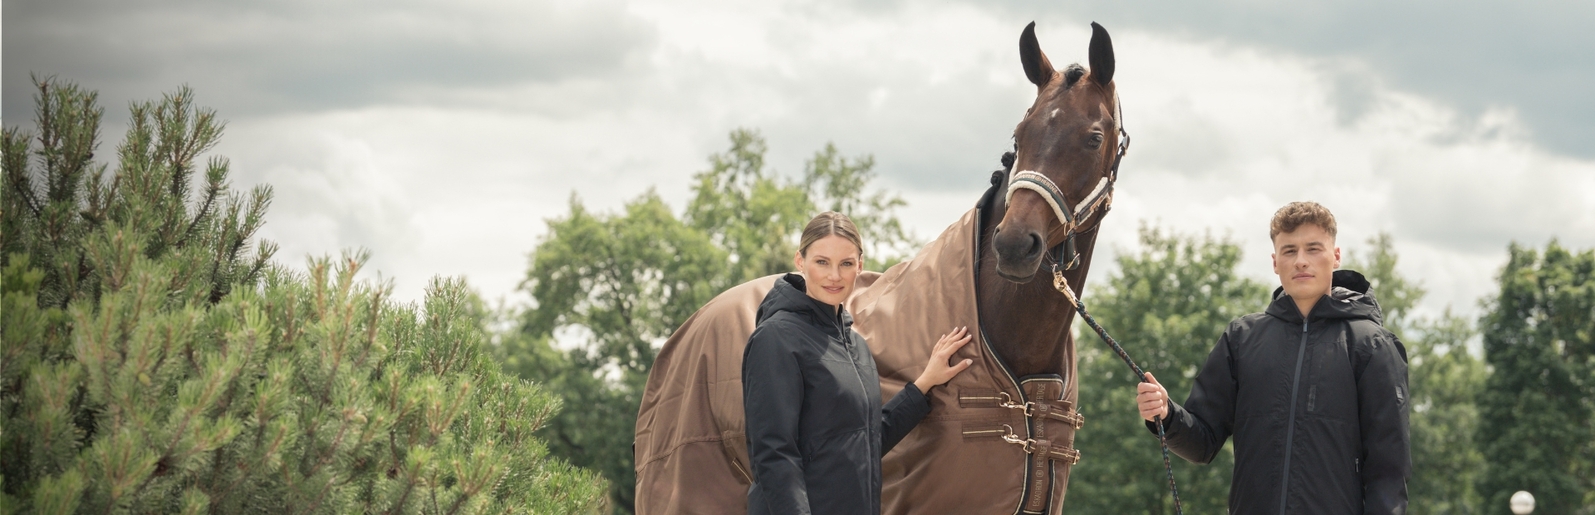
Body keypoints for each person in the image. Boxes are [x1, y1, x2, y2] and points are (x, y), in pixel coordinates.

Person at [1134, 201, 1410, 514]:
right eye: (1289, 251)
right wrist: (1166, 415)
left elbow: (1389, 472)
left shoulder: (1372, 345)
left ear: (1335, 257)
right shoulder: (1241, 338)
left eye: (1313, 248)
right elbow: (1203, 443)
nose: (1301, 261)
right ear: (1275, 261)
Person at [742, 211, 974, 515]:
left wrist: (925, 382)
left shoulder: (856, 346)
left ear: (859, 266)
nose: (834, 276)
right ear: (800, 262)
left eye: (846, 264)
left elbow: (867, 440)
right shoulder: (775, 338)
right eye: (822, 262)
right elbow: (773, 454)